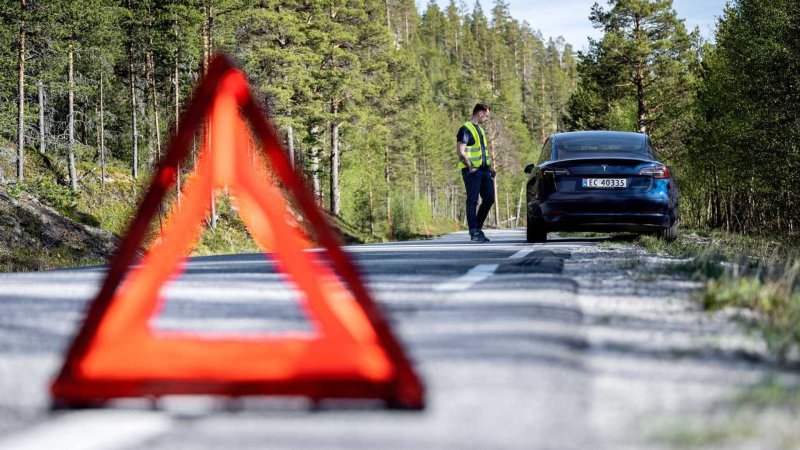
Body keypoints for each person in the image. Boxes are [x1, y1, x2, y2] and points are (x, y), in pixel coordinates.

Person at [456, 103, 495, 243]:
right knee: (472, 200)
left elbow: (482, 152)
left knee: (489, 198)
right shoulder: (465, 129)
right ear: (480, 113)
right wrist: (470, 166)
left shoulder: (481, 130)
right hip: (472, 171)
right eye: (487, 116)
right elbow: (460, 150)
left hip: (484, 170)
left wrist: (490, 168)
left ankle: (477, 228)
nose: (487, 119)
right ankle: (474, 232)